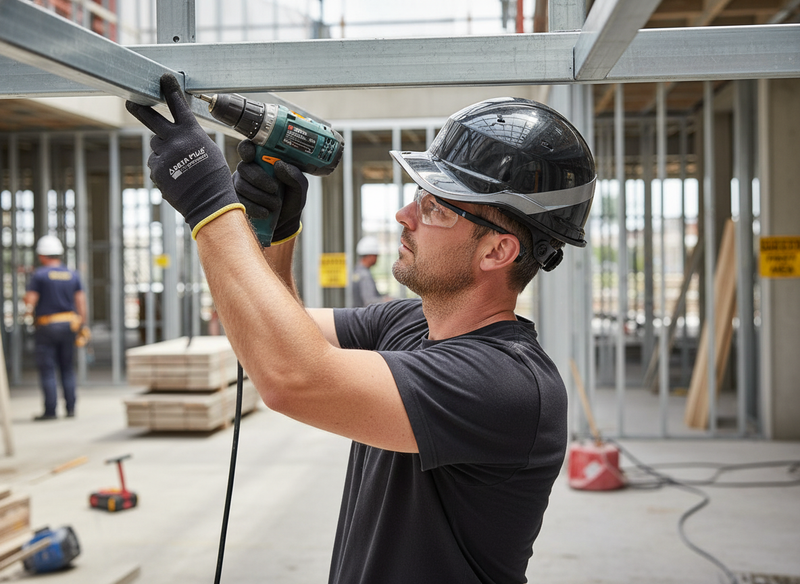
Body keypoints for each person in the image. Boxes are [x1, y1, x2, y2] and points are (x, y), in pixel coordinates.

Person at [126, 75, 595, 584]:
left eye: (435, 206)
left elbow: (290, 377)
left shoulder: (509, 386)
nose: (405, 214)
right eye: (420, 195)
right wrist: (275, 233)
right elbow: (269, 336)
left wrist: (210, 207)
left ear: (497, 250)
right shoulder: (408, 325)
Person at [24, 235, 88, 420]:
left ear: (42, 256)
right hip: (69, 324)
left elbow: (31, 300)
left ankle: (50, 411)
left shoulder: (40, 275)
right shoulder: (72, 274)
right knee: (67, 368)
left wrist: (27, 310)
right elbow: (81, 302)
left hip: (47, 326)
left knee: (47, 369)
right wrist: (82, 325)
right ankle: (70, 408)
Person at [351, 235, 388, 306]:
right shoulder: (364, 275)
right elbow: (369, 301)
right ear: (370, 256)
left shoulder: (357, 271)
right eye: (376, 256)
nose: (377, 259)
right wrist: (387, 301)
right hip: (364, 315)